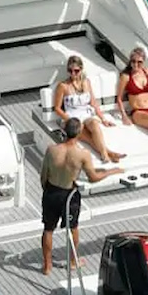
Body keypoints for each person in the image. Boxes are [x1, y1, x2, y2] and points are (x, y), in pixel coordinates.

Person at [39, 117, 123, 275]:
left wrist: (48, 192)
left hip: (51, 192)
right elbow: (93, 178)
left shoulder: (51, 150)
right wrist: (111, 171)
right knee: (73, 228)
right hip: (69, 195)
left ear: (64, 131)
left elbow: (43, 176)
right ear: (79, 133)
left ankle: (47, 266)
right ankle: (72, 262)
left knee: (48, 229)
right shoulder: (83, 154)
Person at [52, 55, 124, 164]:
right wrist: (69, 120)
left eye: (76, 71)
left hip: (86, 114)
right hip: (71, 116)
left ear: (81, 69)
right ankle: (107, 153)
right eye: (70, 71)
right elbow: (57, 108)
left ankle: (106, 153)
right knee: (85, 134)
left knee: (94, 124)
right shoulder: (63, 86)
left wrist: (103, 119)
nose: (73, 74)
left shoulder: (86, 82)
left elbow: (93, 102)